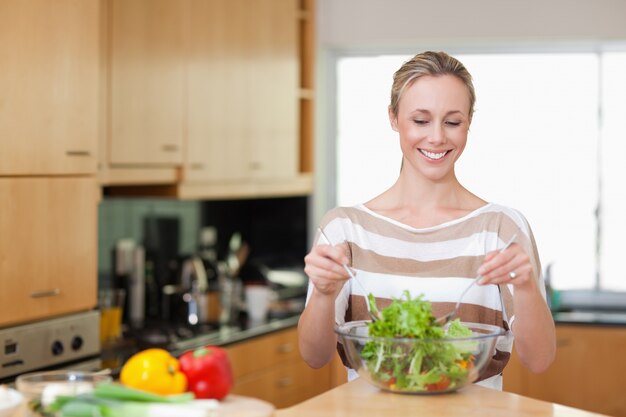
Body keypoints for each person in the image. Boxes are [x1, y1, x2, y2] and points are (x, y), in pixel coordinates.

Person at [297, 51, 556, 390]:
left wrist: (525, 288)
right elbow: (314, 357)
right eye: (420, 120)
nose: (436, 137)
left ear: (469, 123)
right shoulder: (345, 229)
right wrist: (322, 293)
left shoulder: (500, 228)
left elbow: (539, 361)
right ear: (393, 118)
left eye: (452, 122)